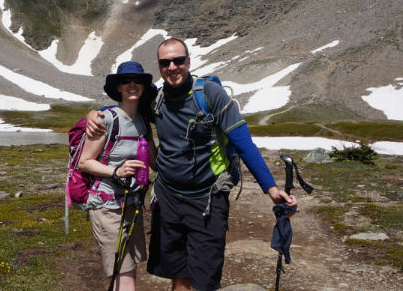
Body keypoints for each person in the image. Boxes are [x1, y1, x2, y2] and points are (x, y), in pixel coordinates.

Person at [86, 38, 297, 291]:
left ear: (188, 61)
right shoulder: (156, 98)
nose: (172, 67)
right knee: (178, 274)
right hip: (168, 199)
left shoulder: (209, 93)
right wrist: (96, 113)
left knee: (205, 279)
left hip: (207, 200)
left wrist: (271, 189)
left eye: (178, 60)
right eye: (166, 62)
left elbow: (243, 142)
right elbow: (126, 103)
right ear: (160, 67)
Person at [78, 61, 157, 291]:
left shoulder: (143, 122)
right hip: (107, 207)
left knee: (128, 270)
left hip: (131, 205)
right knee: (124, 275)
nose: (132, 84)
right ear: (119, 88)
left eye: (138, 80)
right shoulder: (106, 119)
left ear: (143, 86)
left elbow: (154, 162)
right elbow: (85, 162)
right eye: (126, 81)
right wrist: (116, 171)